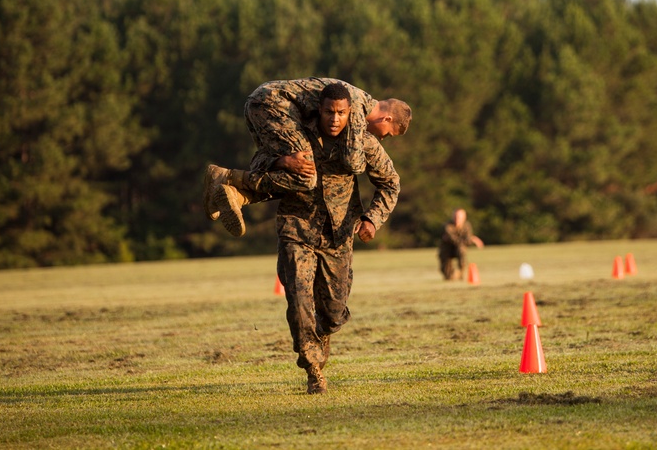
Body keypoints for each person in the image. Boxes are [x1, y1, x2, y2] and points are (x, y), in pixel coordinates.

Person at [272, 82, 400, 393]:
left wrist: (372, 218)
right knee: (300, 301)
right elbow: (259, 163)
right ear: (320, 110)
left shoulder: (361, 143)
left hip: (338, 236)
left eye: (341, 113)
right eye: (329, 111)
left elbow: (390, 183)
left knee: (333, 313)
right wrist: (283, 161)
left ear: (350, 113)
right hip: (297, 229)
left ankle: (320, 338)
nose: (334, 118)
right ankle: (313, 369)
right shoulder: (296, 136)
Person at [202, 77, 411, 236]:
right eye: (388, 133)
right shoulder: (355, 105)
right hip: (272, 106)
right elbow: (353, 162)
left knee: (288, 172)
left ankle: (235, 195)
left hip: (261, 102)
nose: (383, 139)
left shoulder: (358, 99)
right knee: (306, 172)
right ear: (387, 118)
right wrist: (366, 149)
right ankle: (227, 176)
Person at [438, 208, 484, 281]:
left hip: (459, 249)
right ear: (452, 216)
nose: (457, 219)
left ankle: (461, 272)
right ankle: (450, 274)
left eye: (459, 217)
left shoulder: (467, 226)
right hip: (447, 250)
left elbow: (467, 240)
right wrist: (473, 239)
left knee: (461, 249)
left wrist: (470, 239)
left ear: (464, 218)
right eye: (455, 216)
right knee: (448, 276)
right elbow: (453, 240)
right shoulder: (447, 226)